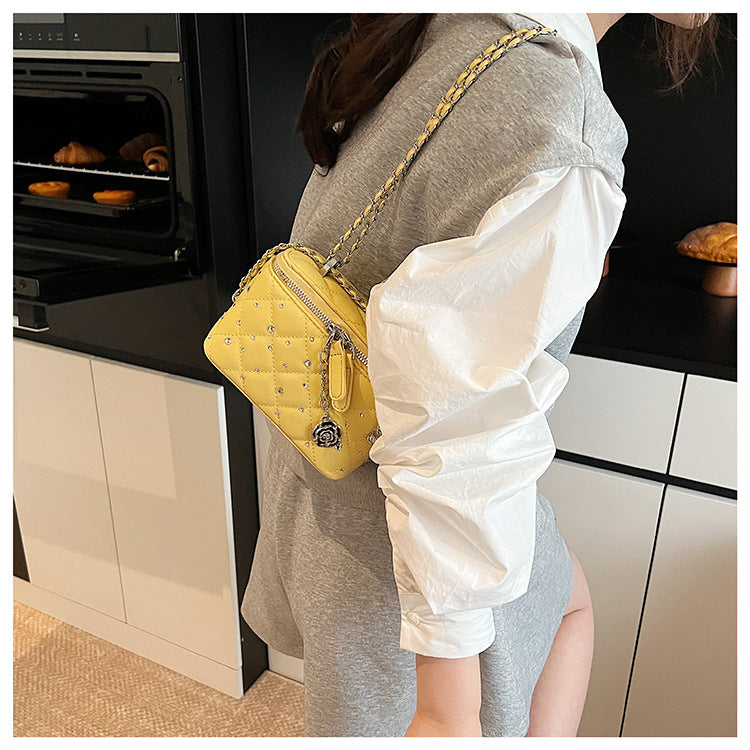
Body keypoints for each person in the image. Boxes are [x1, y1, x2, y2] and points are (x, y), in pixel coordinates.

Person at [241, 12, 719, 737]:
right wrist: (448, 706)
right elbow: (452, 406)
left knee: (568, 602)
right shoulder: (560, 114)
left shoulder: (447, 32)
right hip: (404, 563)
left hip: (328, 496)